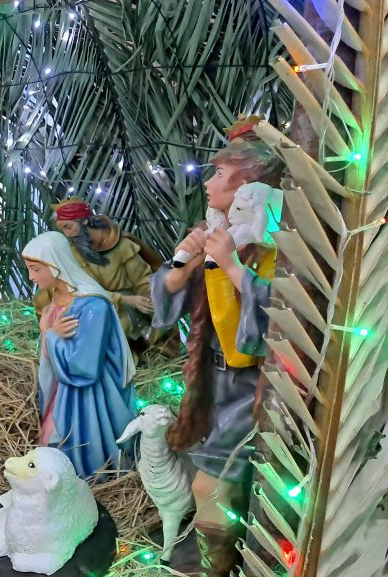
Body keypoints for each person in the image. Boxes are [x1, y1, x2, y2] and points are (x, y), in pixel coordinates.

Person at [150, 115, 282, 577]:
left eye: (220, 174)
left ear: (249, 187)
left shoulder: (273, 244)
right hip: (210, 377)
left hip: (251, 387)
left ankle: (220, 564)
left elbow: (276, 313)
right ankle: (225, 552)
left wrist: (230, 264)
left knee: (213, 483)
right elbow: (165, 297)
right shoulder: (213, 233)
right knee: (216, 478)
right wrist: (185, 260)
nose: (207, 183)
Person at [23, 231, 137, 480]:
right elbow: (53, 352)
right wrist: (47, 333)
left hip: (90, 398)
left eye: (35, 269)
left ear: (55, 265)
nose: (31, 277)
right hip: (64, 392)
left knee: (80, 452)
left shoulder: (94, 306)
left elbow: (84, 367)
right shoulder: (59, 299)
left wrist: (50, 335)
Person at [51, 199, 163, 346]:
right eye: (63, 229)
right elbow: (83, 290)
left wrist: (149, 299)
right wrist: (123, 299)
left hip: (127, 308)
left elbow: (142, 279)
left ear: (85, 221)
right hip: (93, 306)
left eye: (69, 227)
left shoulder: (122, 245)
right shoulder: (73, 253)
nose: (67, 234)